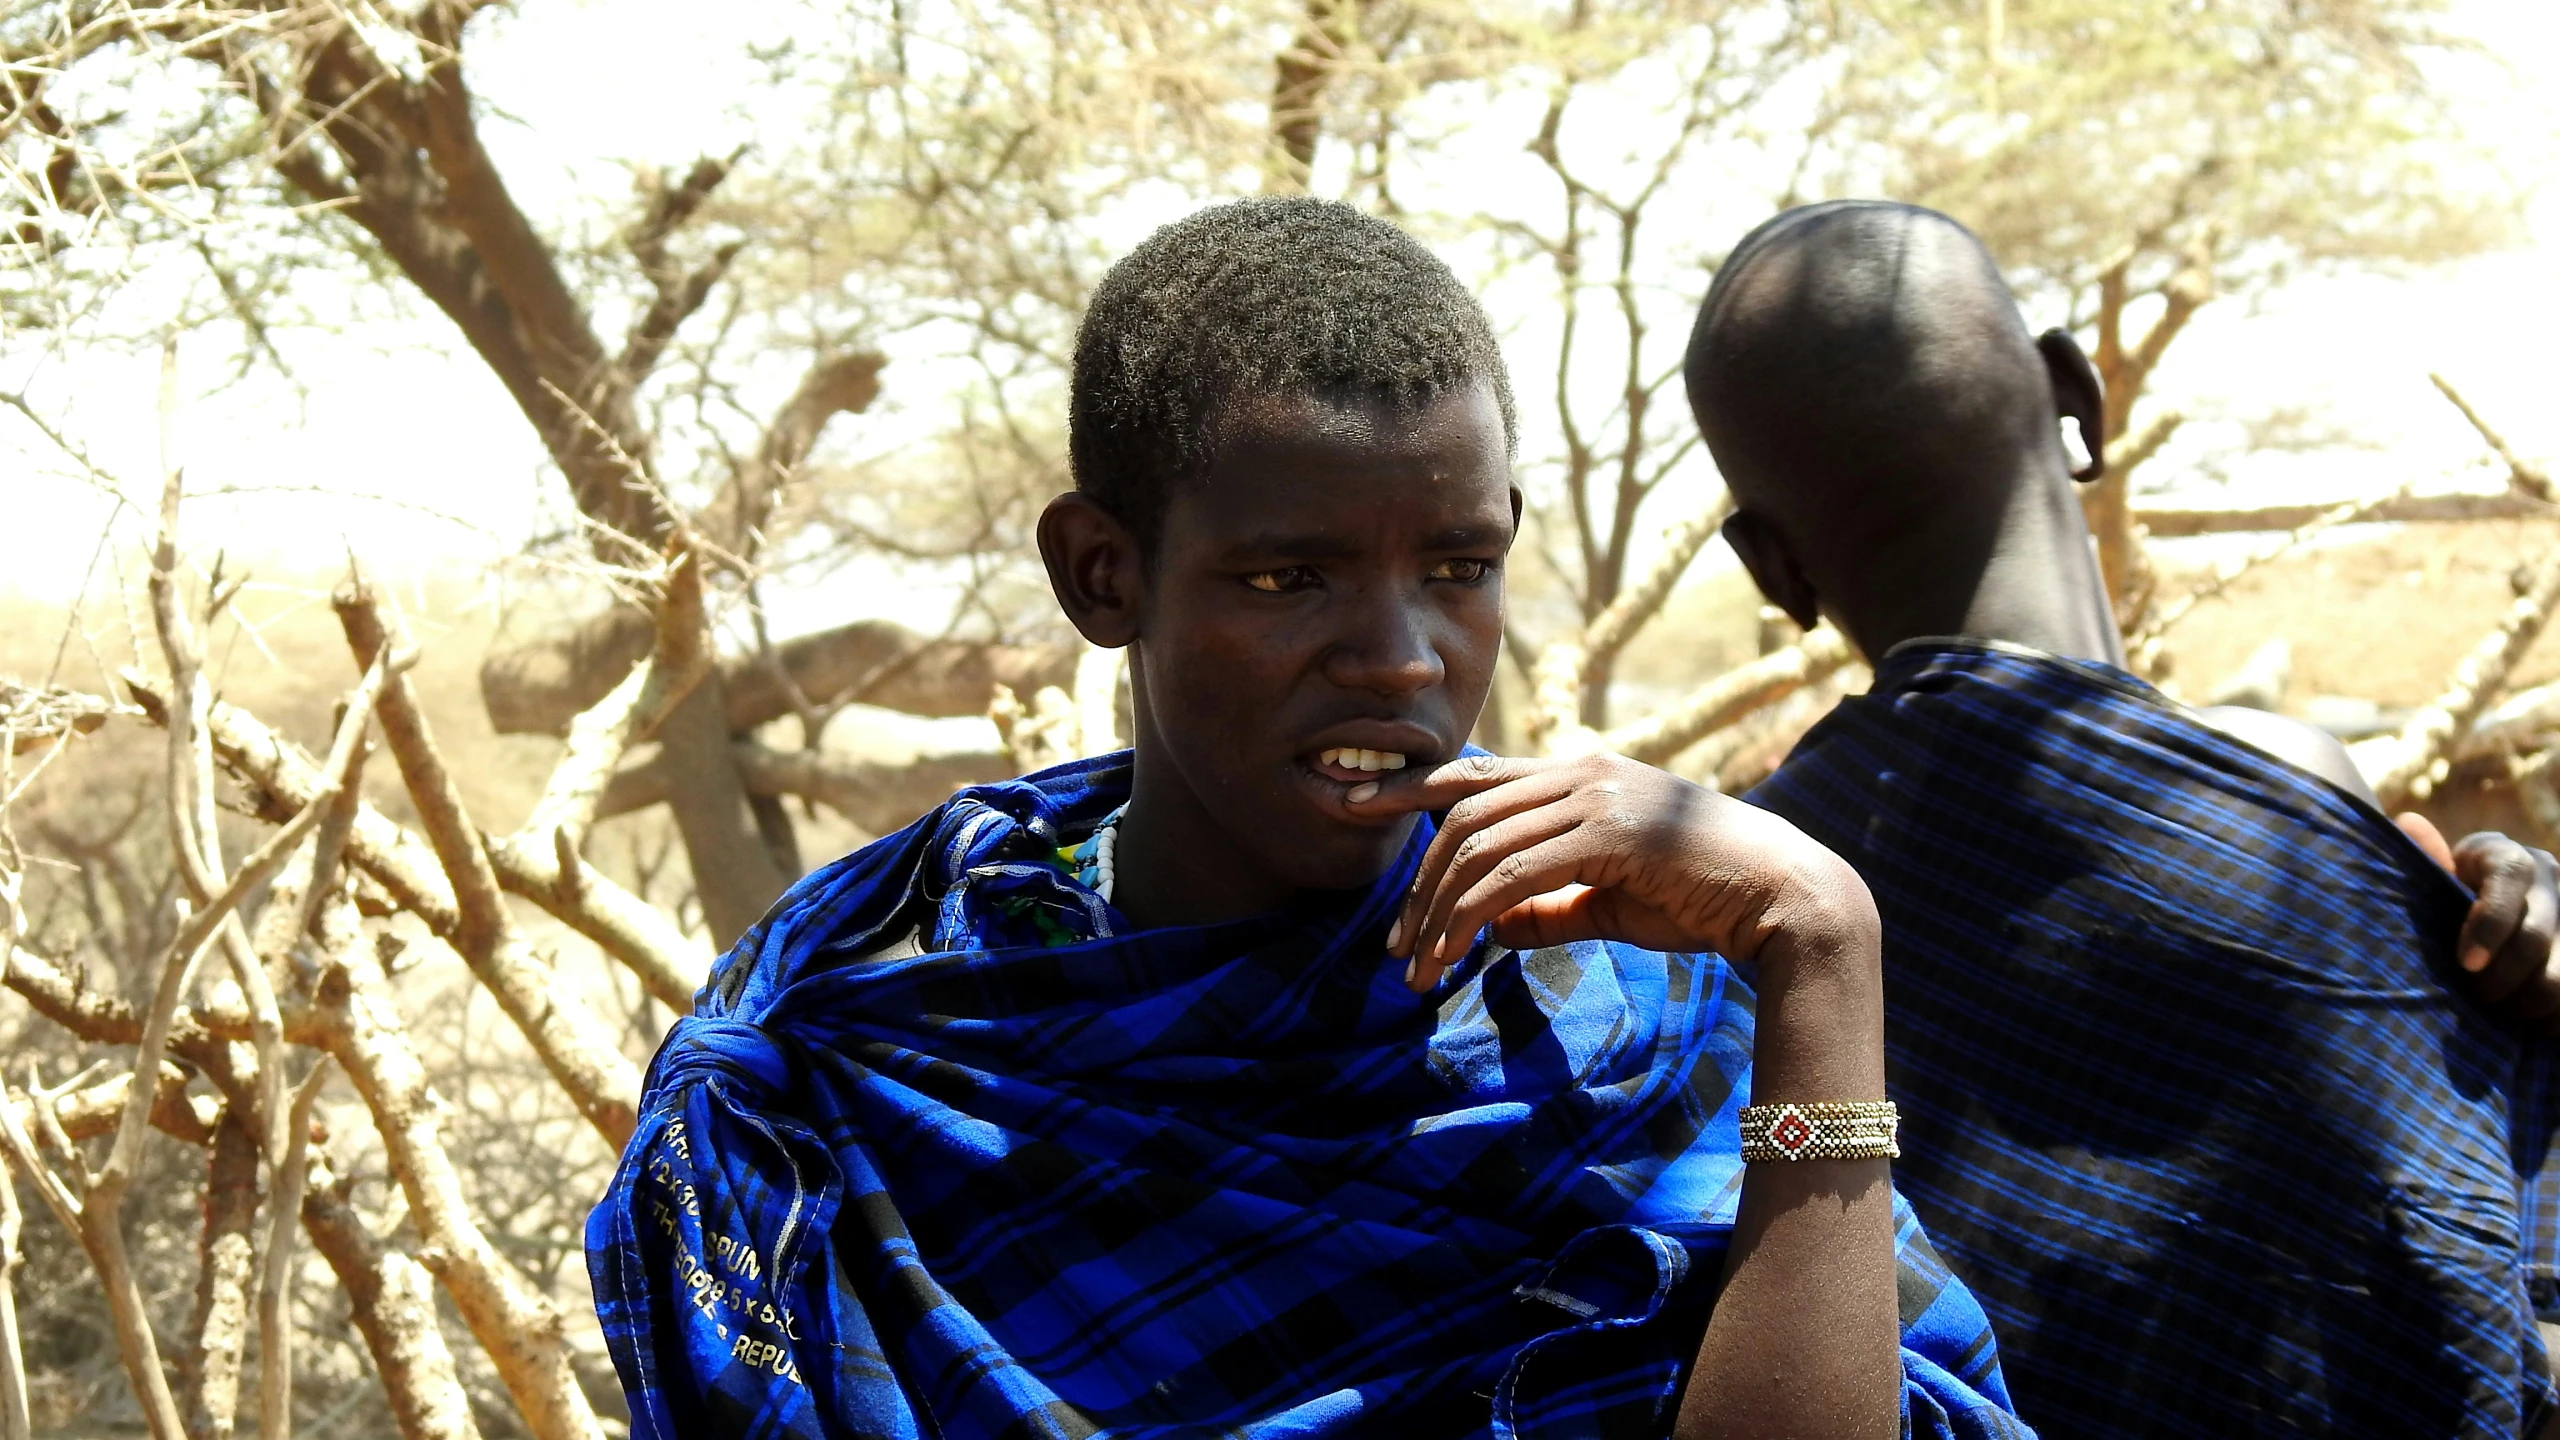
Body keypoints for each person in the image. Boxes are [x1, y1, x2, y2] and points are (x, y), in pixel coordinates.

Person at [588, 197, 2032, 1439]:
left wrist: (1823, 950)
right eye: (1291, 580)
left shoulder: (1629, 999)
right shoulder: (866, 1061)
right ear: (1104, 574)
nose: (1401, 656)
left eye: (1459, 568)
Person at [1686, 198, 2560, 1437]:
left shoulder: (1745, 895)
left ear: (1768, 567)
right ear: (2077, 396)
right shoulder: (2301, 814)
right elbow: (2483, 1310)